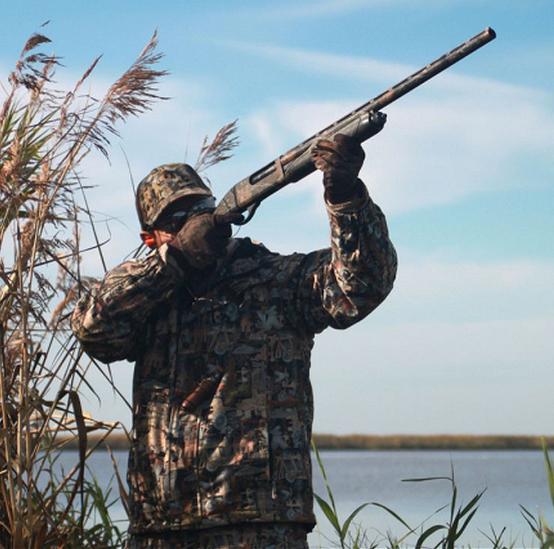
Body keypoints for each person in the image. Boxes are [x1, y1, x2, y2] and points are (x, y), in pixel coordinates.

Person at [71, 134, 397, 549]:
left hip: (261, 525)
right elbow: (92, 330)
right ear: (150, 238)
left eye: (200, 210)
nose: (193, 223)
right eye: (176, 220)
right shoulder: (148, 300)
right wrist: (173, 263)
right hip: (161, 528)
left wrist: (346, 198)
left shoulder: (278, 279)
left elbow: (363, 285)